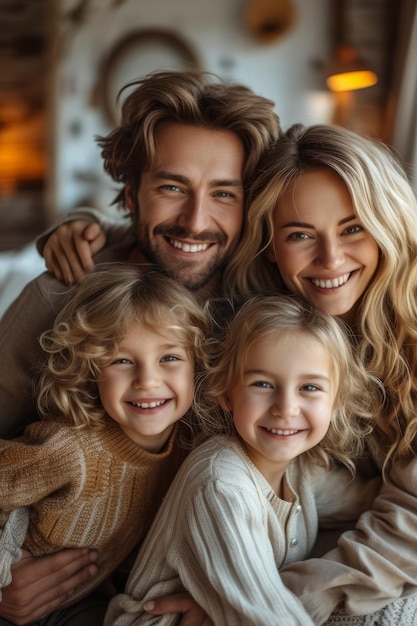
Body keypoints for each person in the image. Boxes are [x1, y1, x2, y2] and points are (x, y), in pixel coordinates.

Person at [0, 70, 280, 623]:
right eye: (172, 187)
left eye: (223, 193)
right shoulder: (60, 294)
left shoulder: (262, 308)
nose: (196, 221)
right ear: (132, 193)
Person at [222, 123, 417, 624]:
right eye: (300, 235)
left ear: (388, 223)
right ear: (270, 246)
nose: (330, 259)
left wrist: (264, 601)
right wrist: (94, 226)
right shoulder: (265, 324)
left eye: (353, 228)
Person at [103, 295, 381, 626]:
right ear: (226, 392)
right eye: (262, 384)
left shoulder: (304, 468)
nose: (286, 408)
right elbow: (269, 619)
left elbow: (369, 501)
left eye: (309, 387)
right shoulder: (220, 483)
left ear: (336, 402)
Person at [0, 263, 209, 625]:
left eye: (169, 358)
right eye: (122, 360)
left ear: (197, 365)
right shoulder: (67, 450)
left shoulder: (192, 447)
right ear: (92, 371)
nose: (147, 380)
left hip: (81, 601)